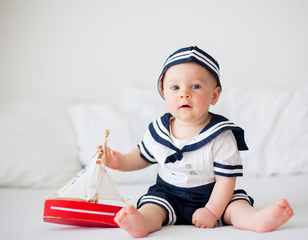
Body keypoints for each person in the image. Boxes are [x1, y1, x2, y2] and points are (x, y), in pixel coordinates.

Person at [99, 46, 294, 238]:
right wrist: (121, 162)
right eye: (175, 87)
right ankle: (141, 222)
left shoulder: (220, 135)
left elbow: (226, 181)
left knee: (236, 206)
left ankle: (257, 220)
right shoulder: (159, 129)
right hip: (169, 194)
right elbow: (142, 156)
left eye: (195, 86)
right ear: (164, 93)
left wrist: (211, 211)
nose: (184, 94)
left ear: (214, 95)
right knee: (153, 206)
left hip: (214, 196)